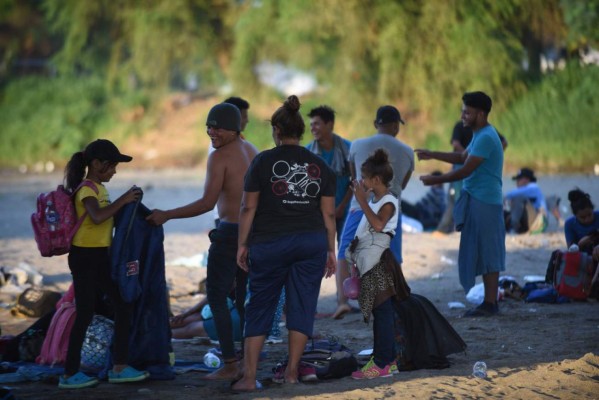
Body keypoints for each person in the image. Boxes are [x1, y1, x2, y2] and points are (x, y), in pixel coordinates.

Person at [232, 95, 336, 392]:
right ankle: (291, 372)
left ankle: (249, 377)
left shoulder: (262, 162)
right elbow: (328, 213)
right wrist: (330, 249)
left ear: (277, 130)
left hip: (270, 243)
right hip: (311, 242)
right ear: (300, 131)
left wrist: (242, 244)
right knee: (302, 306)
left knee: (260, 305)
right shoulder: (320, 166)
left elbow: (247, 208)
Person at [146, 103, 258, 380]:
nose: (211, 131)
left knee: (218, 299)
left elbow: (208, 203)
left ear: (233, 128)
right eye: (208, 126)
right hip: (253, 235)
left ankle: (230, 364)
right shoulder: (252, 150)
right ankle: (245, 362)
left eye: (217, 127)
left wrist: (168, 215)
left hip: (231, 234)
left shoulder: (219, 157)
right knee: (243, 301)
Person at [60, 139, 148, 389]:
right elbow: (98, 217)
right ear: (96, 164)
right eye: (111, 166)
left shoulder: (99, 187)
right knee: (87, 312)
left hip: (97, 256)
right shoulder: (87, 189)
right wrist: (124, 199)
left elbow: (108, 216)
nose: (114, 171)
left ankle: (118, 366)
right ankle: (70, 374)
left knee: (120, 304)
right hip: (85, 257)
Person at [416, 91, 505, 317]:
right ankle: (489, 301)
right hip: (477, 199)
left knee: (489, 252)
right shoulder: (479, 134)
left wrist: (435, 180)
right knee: (482, 251)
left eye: (467, 112)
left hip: (486, 201)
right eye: (463, 111)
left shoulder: (486, 136)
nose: (463, 115)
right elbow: (461, 158)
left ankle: (490, 303)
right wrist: (432, 154)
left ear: (481, 113)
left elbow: (465, 170)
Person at [333, 105, 414, 319]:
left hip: (359, 208)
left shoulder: (357, 145)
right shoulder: (407, 151)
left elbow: (354, 178)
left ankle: (342, 301)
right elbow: (402, 186)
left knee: (345, 253)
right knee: (390, 255)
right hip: (389, 209)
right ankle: (391, 298)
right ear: (396, 126)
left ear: (375, 124)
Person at [345, 149, 403, 379]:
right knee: (381, 313)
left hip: (379, 265)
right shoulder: (376, 200)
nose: (361, 182)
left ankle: (381, 363)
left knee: (383, 314)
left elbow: (378, 225)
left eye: (364, 177)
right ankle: (387, 361)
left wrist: (361, 200)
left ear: (376, 180)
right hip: (369, 264)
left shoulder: (388, 201)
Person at [306, 105, 352, 243]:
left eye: (317, 124)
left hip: (345, 210)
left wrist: (341, 207)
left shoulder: (348, 148)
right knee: (322, 251)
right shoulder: (308, 152)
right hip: (319, 212)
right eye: (311, 125)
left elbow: (355, 180)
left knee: (347, 251)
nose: (312, 128)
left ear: (330, 124)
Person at [504, 167, 547, 234]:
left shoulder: (533, 187)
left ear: (527, 179)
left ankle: (513, 228)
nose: (517, 182)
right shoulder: (528, 190)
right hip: (530, 221)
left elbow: (508, 195)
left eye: (519, 179)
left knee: (518, 198)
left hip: (538, 223)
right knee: (506, 206)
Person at [564, 188, 599, 257]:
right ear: (575, 215)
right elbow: (570, 251)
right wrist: (580, 244)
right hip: (583, 260)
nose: (587, 219)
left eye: (589, 215)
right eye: (583, 217)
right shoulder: (570, 224)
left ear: (592, 209)